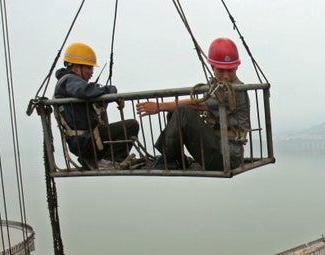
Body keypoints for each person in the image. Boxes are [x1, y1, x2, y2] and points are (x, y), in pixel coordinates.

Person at [136, 37, 250, 171]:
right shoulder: (216, 87)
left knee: (183, 112)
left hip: (227, 157)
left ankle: (167, 159)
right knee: (175, 113)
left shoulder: (233, 90)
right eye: (220, 71)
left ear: (236, 67)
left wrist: (159, 106)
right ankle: (175, 158)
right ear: (212, 67)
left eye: (230, 71)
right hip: (218, 148)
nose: (226, 76)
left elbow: (198, 105)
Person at [54, 42, 139, 169]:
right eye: (89, 68)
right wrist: (111, 90)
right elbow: (86, 91)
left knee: (120, 127)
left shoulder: (69, 83)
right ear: (77, 67)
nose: (92, 72)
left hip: (83, 141)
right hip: (86, 141)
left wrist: (111, 99)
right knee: (131, 125)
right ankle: (109, 161)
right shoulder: (70, 80)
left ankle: (94, 160)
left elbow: (88, 99)